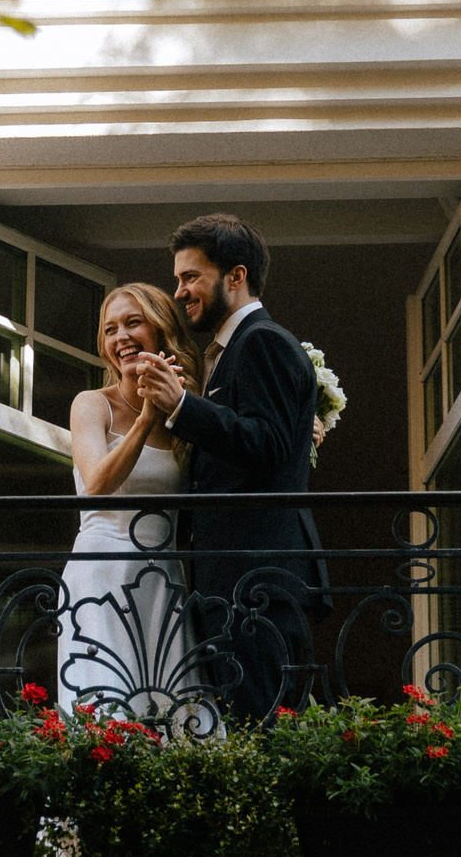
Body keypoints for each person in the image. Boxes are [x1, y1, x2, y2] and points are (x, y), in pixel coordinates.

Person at [129, 212, 327, 722]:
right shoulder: (227, 351)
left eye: (191, 277)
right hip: (233, 579)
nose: (179, 292)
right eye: (178, 279)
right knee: (243, 727)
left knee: (261, 727)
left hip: (257, 577)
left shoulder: (262, 341)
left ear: (235, 276)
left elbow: (269, 445)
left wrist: (182, 406)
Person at [62, 282, 201, 720]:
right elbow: (97, 485)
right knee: (106, 713)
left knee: (176, 717)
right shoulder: (92, 404)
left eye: (133, 323)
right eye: (110, 329)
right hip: (101, 574)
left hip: (165, 579)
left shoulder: (188, 409)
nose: (120, 337)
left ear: (160, 331)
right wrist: (145, 419)